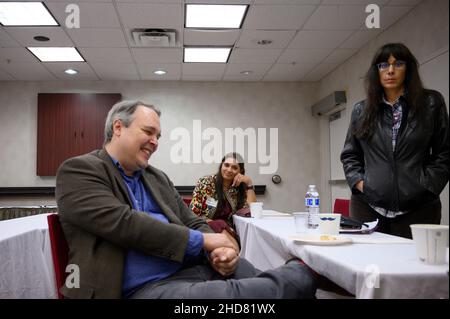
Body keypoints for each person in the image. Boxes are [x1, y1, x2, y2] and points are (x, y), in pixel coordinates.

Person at [55, 100, 317, 299]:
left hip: (191, 268)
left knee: (252, 277)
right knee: (249, 293)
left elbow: (191, 219)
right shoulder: (79, 170)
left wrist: (220, 250)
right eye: (149, 132)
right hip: (138, 288)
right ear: (118, 128)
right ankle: (303, 273)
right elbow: (125, 223)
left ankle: (295, 278)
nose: (155, 142)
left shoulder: (156, 177)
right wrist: (206, 240)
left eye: (159, 136)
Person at [341, 43, 449, 239]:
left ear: (408, 69)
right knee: (369, 265)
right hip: (369, 206)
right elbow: (350, 155)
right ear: (377, 72)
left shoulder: (431, 103)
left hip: (419, 207)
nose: (390, 71)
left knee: (417, 266)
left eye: (398, 64)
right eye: (383, 65)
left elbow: (444, 152)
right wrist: (361, 183)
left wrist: (428, 185)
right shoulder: (361, 110)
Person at [189, 152, 256, 242]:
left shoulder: (238, 188)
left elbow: (253, 210)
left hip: (229, 230)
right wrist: (218, 225)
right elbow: (193, 213)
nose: (229, 170)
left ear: (240, 171)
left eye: (234, 167)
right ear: (221, 166)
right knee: (221, 226)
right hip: (205, 227)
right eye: (226, 165)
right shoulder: (206, 182)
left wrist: (249, 184)